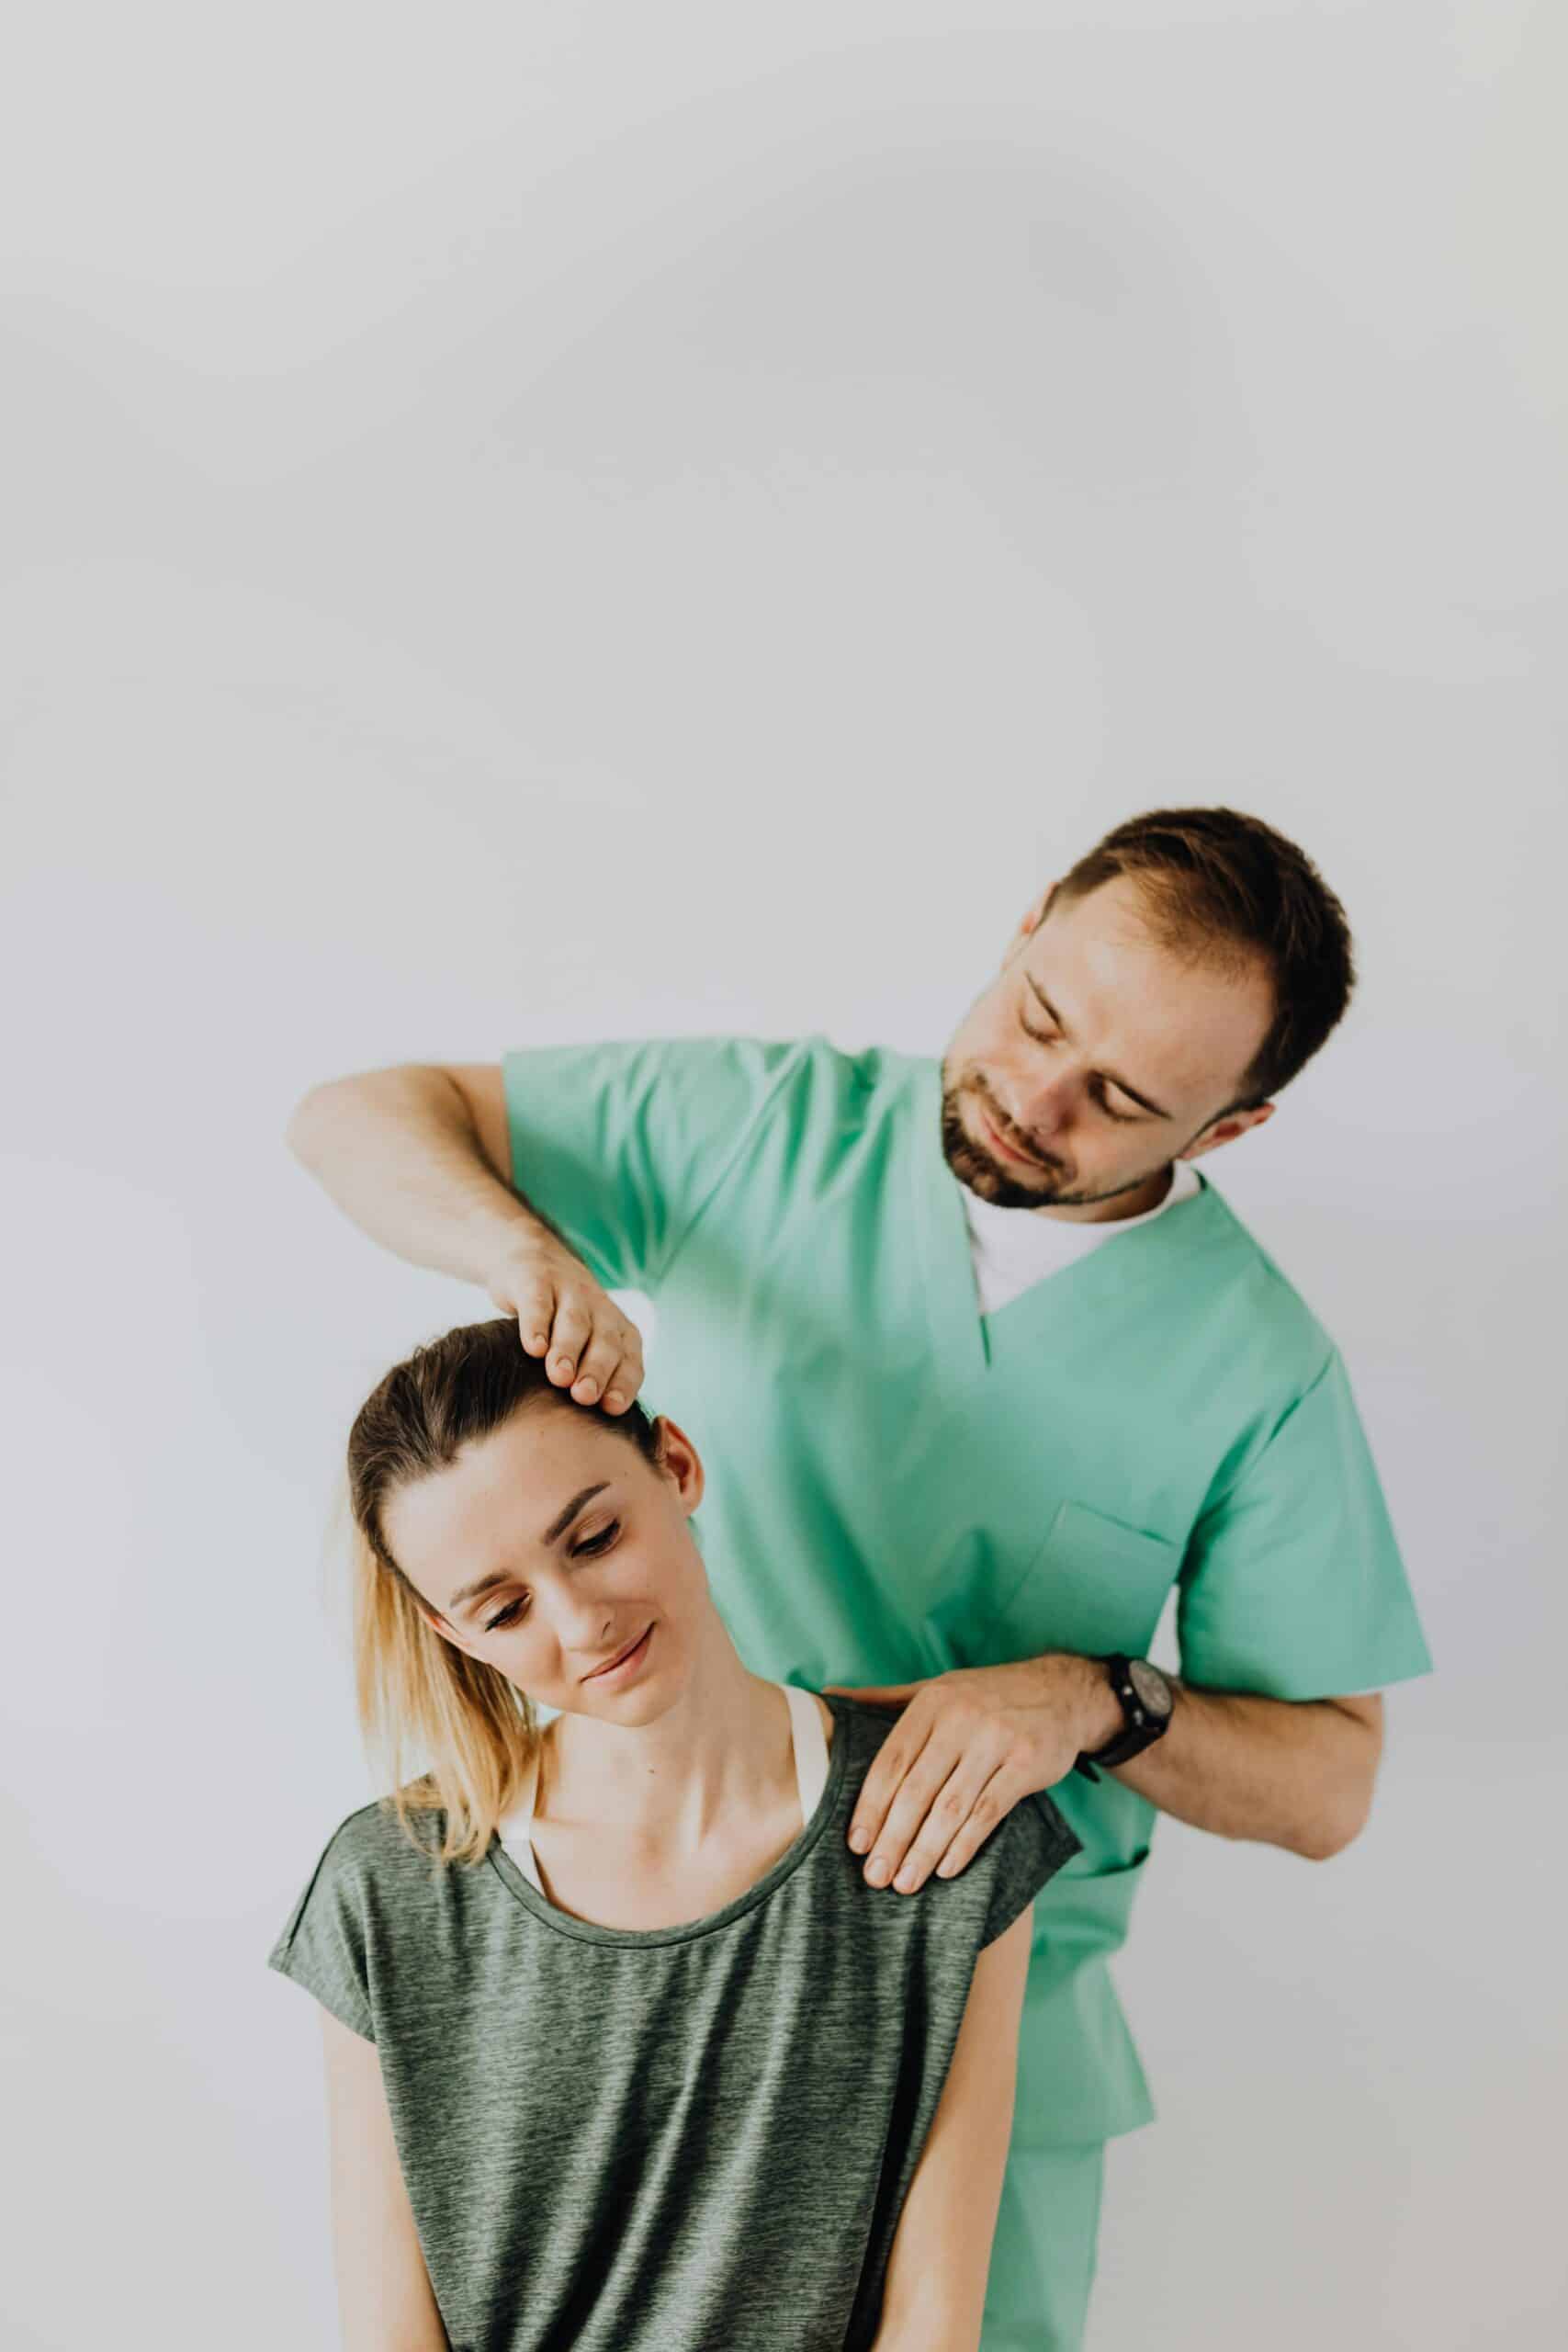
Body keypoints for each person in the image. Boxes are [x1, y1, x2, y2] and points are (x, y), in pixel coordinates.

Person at [286, 805, 1435, 2351]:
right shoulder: (758, 1130)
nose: (1033, 1097)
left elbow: (1329, 1789)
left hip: (968, 2021)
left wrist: (1094, 1700)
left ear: (1226, 1131)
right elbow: (355, 1114)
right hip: (629, 1991)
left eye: (1116, 1098)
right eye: (1037, 1016)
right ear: (1025, 922)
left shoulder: (1256, 1367)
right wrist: (526, 1261)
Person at [267, 1317, 1079, 2351]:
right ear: (452, 1631)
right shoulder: (387, 1886)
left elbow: (932, 2318)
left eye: (595, 1539)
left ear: (677, 1465)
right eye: (505, 1608)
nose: (579, 1621)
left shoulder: (942, 1812)